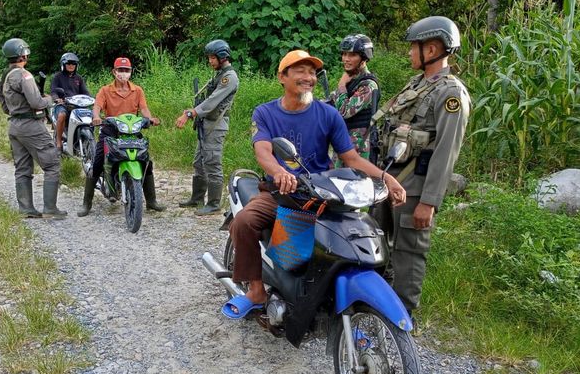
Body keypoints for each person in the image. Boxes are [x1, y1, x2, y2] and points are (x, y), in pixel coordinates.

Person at [224, 50, 406, 317]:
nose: (308, 77)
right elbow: (263, 151)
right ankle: (255, 289)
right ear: (282, 77)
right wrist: (279, 172)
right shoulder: (265, 113)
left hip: (322, 194)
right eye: (300, 71)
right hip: (280, 193)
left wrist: (386, 178)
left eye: (312, 72)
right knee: (244, 221)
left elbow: (351, 157)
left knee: (354, 233)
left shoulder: (328, 114)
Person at [372, 16, 471, 317]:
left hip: (414, 188)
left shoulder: (450, 93)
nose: (409, 54)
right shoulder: (417, 84)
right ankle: (375, 305)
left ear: (431, 50)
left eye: (413, 48)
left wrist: (429, 202)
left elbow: (445, 152)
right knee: (377, 243)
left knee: (409, 253)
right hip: (389, 183)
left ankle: (401, 317)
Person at [77, 57, 165, 216]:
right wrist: (96, 116)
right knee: (97, 163)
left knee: (146, 162)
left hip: (132, 132)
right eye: (120, 70)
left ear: (131, 72)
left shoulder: (137, 90)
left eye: (127, 70)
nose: (123, 74)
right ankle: (86, 204)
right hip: (110, 131)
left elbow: (144, 109)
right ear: (114, 72)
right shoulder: (105, 90)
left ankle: (151, 201)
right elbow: (97, 106)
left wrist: (149, 119)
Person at [0, 38, 67, 219]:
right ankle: (50, 208)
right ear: (23, 54)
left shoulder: (5, 76)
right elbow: (36, 102)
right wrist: (49, 100)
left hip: (14, 125)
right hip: (31, 126)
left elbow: (2, 100)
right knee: (52, 164)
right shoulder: (23, 75)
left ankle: (26, 208)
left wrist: (14, 109)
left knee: (22, 168)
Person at [175, 39, 239, 215]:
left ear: (222, 57)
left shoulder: (229, 77)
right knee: (199, 162)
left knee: (212, 163)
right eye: (209, 58)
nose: (210, 61)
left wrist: (191, 113)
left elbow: (212, 102)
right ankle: (197, 198)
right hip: (207, 124)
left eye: (212, 58)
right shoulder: (219, 74)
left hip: (216, 126)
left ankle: (213, 203)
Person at [327, 34, 380, 165]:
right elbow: (332, 102)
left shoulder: (368, 85)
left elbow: (344, 112)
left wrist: (341, 86)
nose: (346, 59)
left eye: (352, 55)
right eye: (344, 54)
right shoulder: (351, 81)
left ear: (363, 58)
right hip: (343, 142)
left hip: (359, 147)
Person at [50, 52, 90, 150]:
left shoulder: (79, 78)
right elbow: (53, 91)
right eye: (68, 64)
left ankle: (86, 139)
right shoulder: (57, 77)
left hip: (76, 105)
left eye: (73, 64)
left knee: (89, 115)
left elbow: (85, 92)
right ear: (63, 64)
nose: (71, 66)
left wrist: (91, 99)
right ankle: (59, 142)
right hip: (62, 104)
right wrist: (57, 99)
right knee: (62, 115)